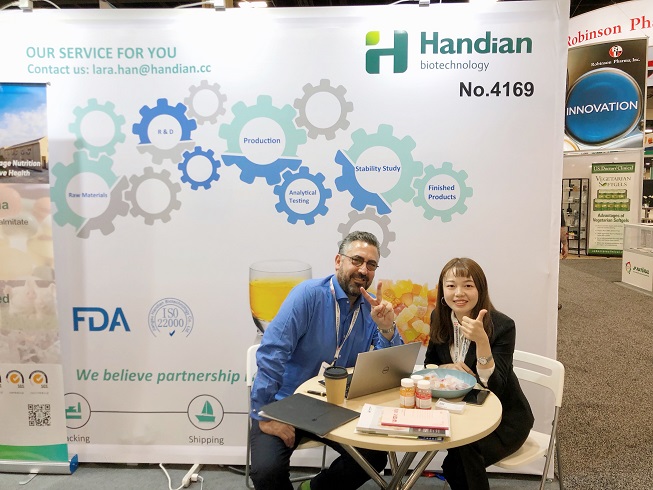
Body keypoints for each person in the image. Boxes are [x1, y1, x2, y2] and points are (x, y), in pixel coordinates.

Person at [249, 231, 403, 490]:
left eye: (371, 264)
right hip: (286, 403)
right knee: (266, 472)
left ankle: (313, 488)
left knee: (374, 457)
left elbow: (391, 366)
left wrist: (387, 328)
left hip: (337, 406)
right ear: (338, 261)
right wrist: (263, 413)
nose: (363, 269)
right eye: (356, 260)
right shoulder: (307, 296)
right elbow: (272, 354)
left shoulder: (372, 309)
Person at [424, 257, 534, 490]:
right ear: (443, 291)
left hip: (504, 420)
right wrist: (447, 368)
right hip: (461, 413)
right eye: (451, 285)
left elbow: (496, 387)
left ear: (480, 289)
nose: (459, 293)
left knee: (460, 458)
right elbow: (430, 363)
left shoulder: (503, 326)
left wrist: (482, 342)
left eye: (468, 285)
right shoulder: (438, 318)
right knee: (458, 458)